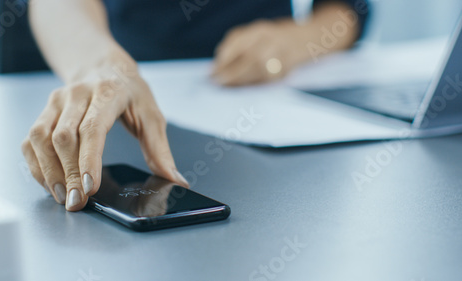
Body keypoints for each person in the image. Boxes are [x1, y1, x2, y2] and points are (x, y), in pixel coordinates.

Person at [21, 0, 370, 211]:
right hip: (128, 99)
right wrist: (99, 66)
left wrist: (299, 40)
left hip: (271, 103)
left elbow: (349, 9)